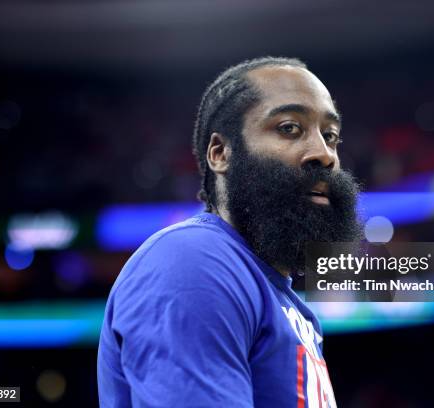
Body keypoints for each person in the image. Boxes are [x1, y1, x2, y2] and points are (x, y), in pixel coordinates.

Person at [97, 56, 362, 407]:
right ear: (220, 153)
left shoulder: (287, 301)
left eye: (330, 136)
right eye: (289, 128)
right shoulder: (193, 260)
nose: (324, 154)